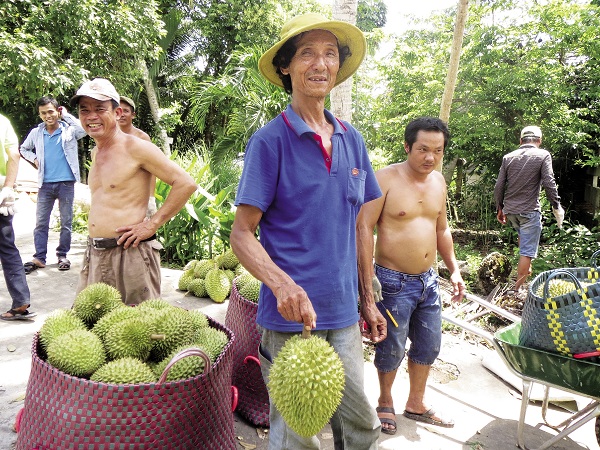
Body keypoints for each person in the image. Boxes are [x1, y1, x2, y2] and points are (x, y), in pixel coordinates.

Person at [230, 13, 386, 450]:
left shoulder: (352, 140)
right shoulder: (270, 141)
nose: (320, 63)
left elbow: (360, 224)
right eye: (307, 53)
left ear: (338, 67)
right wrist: (282, 285)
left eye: (330, 54)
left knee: (361, 427)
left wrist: (367, 298)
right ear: (286, 66)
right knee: (295, 435)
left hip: (343, 314)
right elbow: (241, 234)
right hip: (288, 318)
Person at [356, 117, 466, 434]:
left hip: (428, 281)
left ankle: (416, 403)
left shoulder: (439, 182)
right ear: (408, 147)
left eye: (437, 151)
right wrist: (367, 287)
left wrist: (454, 269)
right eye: (422, 149)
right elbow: (364, 229)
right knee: (391, 346)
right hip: (391, 282)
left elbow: (441, 228)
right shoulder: (384, 179)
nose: (429, 157)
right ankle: (385, 402)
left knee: (429, 345)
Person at [70, 78, 197, 305]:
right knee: (93, 327)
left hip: (129, 255)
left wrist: (152, 223)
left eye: (100, 109)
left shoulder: (137, 148)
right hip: (96, 254)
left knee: (140, 330)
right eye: (84, 110)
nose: (91, 116)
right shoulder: (95, 152)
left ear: (117, 112)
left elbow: (186, 183)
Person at [19, 97, 87, 273]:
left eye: (50, 111)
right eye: (43, 113)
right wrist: (34, 159)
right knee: (41, 223)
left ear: (57, 110)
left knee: (66, 222)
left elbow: (83, 129)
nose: (47, 116)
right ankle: (39, 258)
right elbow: (23, 149)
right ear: (40, 114)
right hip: (45, 184)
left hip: (66, 183)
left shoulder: (69, 131)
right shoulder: (36, 133)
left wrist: (66, 115)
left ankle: (62, 255)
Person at [494, 125, 564, 292]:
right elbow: (549, 182)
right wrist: (556, 205)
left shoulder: (508, 157)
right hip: (529, 211)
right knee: (527, 252)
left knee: (524, 242)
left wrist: (499, 208)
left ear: (520, 141)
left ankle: (525, 275)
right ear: (539, 141)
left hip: (511, 211)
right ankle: (516, 290)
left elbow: (499, 185)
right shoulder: (543, 155)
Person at [0, 113, 33, 320]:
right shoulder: (2, 121)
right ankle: (21, 300)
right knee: (6, 246)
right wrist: (8, 187)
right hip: (1, 189)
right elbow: (14, 154)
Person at [117, 96, 157, 217]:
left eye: (126, 111)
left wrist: (151, 198)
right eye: (119, 110)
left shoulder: (142, 138)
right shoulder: (107, 138)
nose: (122, 114)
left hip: (138, 197)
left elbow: (153, 170)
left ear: (133, 115)